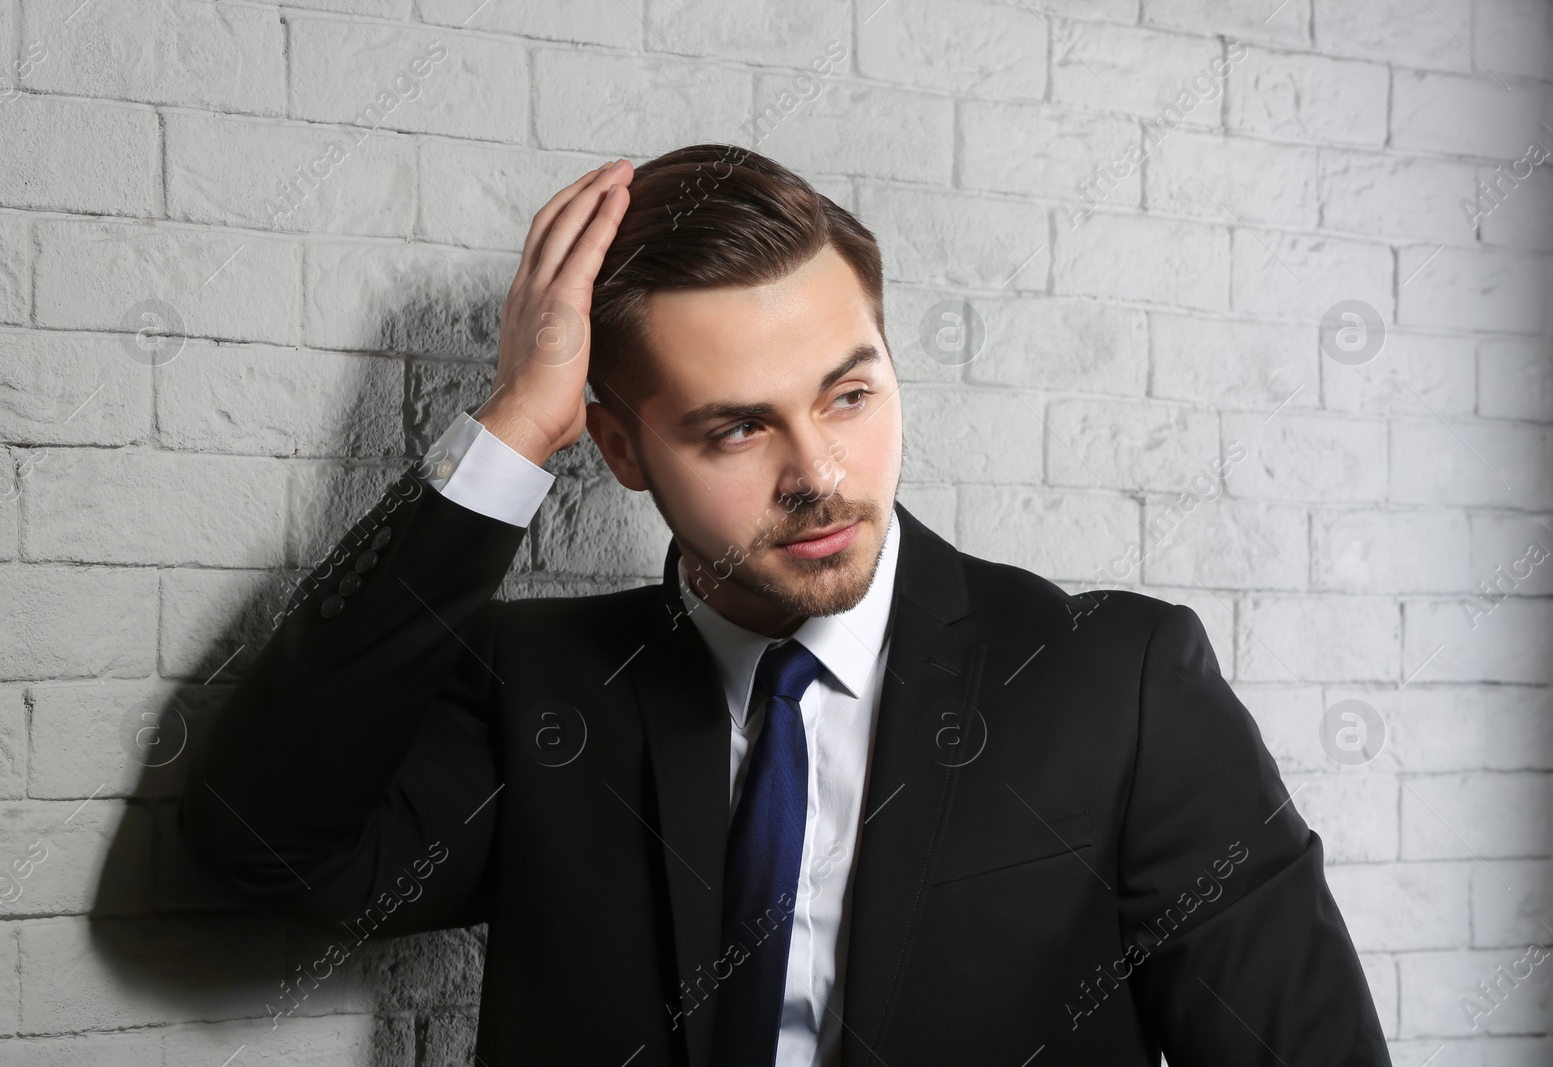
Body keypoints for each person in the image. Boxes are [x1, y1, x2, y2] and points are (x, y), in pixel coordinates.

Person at [179, 144, 1391, 1066]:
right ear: (619, 445)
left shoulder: (1116, 682)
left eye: (849, 395)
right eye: (737, 425)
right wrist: (511, 430)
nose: (819, 472)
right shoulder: (538, 694)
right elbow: (261, 842)